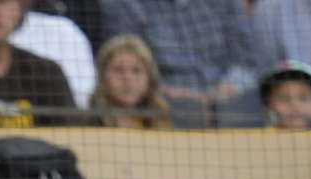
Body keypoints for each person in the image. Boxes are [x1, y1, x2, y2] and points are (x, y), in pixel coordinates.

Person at [100, 0, 258, 108]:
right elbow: (126, 66)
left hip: (231, 106)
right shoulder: (124, 4)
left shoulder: (227, 3)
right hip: (164, 110)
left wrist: (224, 90)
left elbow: (248, 63)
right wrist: (169, 93)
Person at [89, 34, 171, 130]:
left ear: (150, 78)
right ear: (102, 77)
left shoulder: (164, 122)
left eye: (136, 70)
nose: (127, 78)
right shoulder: (87, 123)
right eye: (118, 70)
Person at [260, 60, 311, 130]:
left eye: (303, 98)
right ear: (268, 104)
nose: (294, 104)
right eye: (284, 98)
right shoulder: (257, 139)